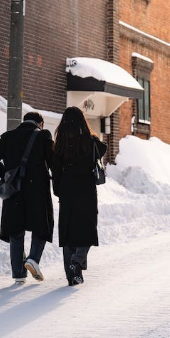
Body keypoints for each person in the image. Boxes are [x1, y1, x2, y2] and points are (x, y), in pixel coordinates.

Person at [0, 112, 54, 285]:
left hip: (14, 190)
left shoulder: (8, 137)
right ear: (40, 123)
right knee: (41, 226)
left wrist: (7, 175)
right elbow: (53, 161)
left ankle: (18, 274)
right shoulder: (43, 136)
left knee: (16, 230)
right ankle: (32, 259)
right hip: (37, 191)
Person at [52, 106, 107, 286]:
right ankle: (77, 261)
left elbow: (55, 169)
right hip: (86, 191)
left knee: (68, 233)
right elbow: (102, 148)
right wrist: (89, 136)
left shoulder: (59, 143)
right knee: (87, 229)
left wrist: (58, 190)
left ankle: (72, 275)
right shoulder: (89, 141)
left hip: (67, 192)